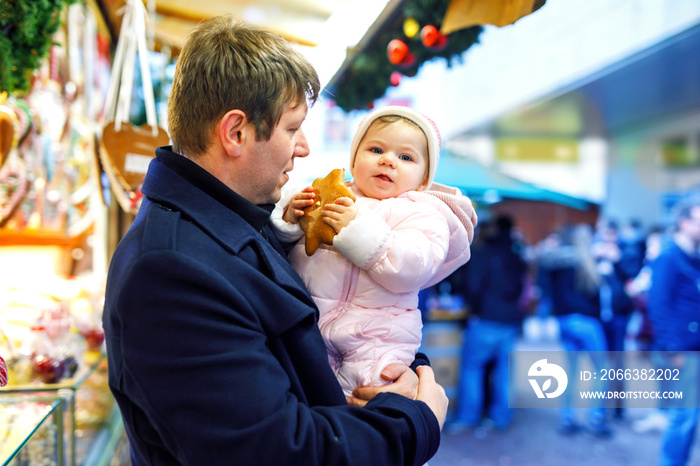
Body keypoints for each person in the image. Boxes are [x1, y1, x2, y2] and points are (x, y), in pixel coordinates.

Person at [102, 18, 448, 466]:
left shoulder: (230, 222)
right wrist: (413, 420)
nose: (303, 148)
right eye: (292, 128)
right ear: (235, 133)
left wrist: (394, 367)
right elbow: (275, 450)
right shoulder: (170, 269)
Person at [270, 105, 476, 397]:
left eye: (405, 157)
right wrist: (291, 218)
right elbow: (282, 245)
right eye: (376, 150)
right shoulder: (330, 193)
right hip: (310, 325)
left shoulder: (423, 214)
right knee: (302, 394)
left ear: (422, 179)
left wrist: (355, 229)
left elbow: (413, 267)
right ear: (354, 160)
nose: (388, 161)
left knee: (360, 398)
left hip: (377, 339)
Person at [450, 214, 528, 431]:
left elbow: (473, 285)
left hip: (484, 317)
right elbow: (523, 287)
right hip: (510, 319)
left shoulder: (483, 253)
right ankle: (501, 417)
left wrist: (473, 309)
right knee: (505, 372)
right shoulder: (516, 254)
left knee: (472, 368)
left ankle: (468, 417)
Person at [537, 223, 611, 436]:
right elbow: (597, 297)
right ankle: (596, 418)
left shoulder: (555, 262)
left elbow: (545, 285)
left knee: (570, 373)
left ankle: (567, 418)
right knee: (601, 369)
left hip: (564, 320)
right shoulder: (589, 263)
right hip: (587, 322)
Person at [647, 196, 700, 466]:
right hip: (683, 349)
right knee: (684, 415)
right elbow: (658, 306)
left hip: (693, 345)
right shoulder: (668, 258)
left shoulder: (694, 258)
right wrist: (672, 348)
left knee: (690, 417)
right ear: (684, 222)